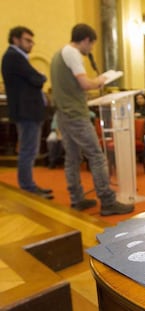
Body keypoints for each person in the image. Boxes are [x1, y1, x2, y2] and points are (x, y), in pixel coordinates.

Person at [50, 23, 134, 215]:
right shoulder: (73, 53)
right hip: (76, 115)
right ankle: (107, 201)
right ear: (86, 40)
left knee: (72, 158)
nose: (91, 49)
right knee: (97, 156)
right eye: (92, 45)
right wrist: (101, 80)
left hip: (63, 114)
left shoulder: (57, 55)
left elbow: (69, 87)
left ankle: (77, 198)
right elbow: (85, 83)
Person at [1, 26, 53, 200]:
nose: (31, 44)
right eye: (27, 40)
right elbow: (37, 79)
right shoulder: (13, 57)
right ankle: (28, 187)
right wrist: (41, 77)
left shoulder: (18, 57)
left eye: (32, 41)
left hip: (29, 111)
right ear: (15, 39)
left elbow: (35, 78)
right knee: (28, 151)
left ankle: (30, 184)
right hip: (26, 111)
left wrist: (39, 77)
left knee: (30, 150)